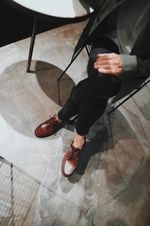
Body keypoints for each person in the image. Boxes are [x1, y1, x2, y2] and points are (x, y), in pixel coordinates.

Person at [35, 0, 150, 177]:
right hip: (108, 36)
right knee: (99, 85)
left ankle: (63, 118)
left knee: (95, 87)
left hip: (136, 57)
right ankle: (78, 139)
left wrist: (131, 63)